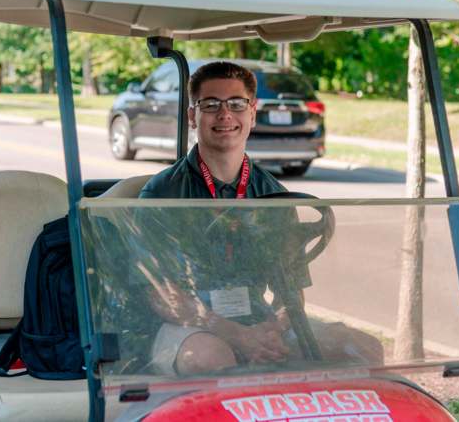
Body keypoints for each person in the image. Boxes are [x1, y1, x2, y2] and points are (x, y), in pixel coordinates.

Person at [136, 61, 382, 375]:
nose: (225, 115)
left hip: (259, 321)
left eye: (237, 104)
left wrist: (271, 331)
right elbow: (162, 297)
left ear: (252, 112)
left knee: (362, 348)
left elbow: (290, 292)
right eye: (211, 104)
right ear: (192, 116)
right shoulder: (163, 193)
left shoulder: (274, 194)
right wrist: (238, 336)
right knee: (211, 358)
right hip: (187, 326)